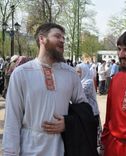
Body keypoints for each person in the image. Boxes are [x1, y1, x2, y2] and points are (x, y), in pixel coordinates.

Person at [2, 23, 88, 155]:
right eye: (57, 36)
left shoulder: (70, 74)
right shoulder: (21, 73)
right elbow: (12, 118)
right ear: (42, 39)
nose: (62, 41)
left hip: (61, 147)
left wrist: (68, 123)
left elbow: (84, 109)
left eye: (64, 38)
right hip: (29, 148)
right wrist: (10, 153)